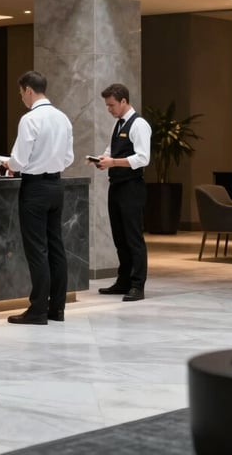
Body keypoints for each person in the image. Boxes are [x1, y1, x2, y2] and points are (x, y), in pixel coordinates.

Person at [3, 71, 74, 325]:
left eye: (21, 93)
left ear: (28, 90)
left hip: (34, 189)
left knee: (37, 250)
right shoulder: (63, 118)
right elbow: (68, 158)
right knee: (56, 247)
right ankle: (57, 308)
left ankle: (37, 310)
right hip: (56, 185)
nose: (22, 98)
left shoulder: (30, 119)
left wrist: (10, 163)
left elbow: (19, 160)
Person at [89, 83, 151, 302]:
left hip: (132, 187)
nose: (109, 109)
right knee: (119, 237)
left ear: (124, 101)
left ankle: (137, 285)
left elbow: (143, 158)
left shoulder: (139, 124)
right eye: (107, 106)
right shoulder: (118, 125)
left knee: (133, 237)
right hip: (116, 186)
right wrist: (102, 160)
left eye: (112, 105)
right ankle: (123, 281)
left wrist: (113, 161)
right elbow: (111, 150)